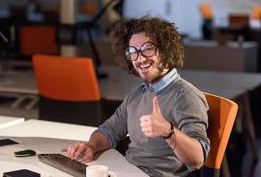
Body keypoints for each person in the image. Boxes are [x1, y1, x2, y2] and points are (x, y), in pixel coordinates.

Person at [67, 16, 210, 177]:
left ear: (166, 49)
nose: (140, 59)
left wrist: (168, 132)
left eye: (147, 49)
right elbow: (110, 130)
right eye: (133, 52)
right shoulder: (137, 94)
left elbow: (197, 159)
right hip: (126, 172)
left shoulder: (186, 96)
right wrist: (91, 146)